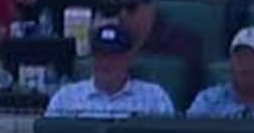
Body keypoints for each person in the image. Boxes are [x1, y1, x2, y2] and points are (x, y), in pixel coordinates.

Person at [46, 21, 179, 116]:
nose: (106, 63)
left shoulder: (154, 98)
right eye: (101, 55)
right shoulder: (65, 99)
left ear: (129, 59)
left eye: (113, 56)